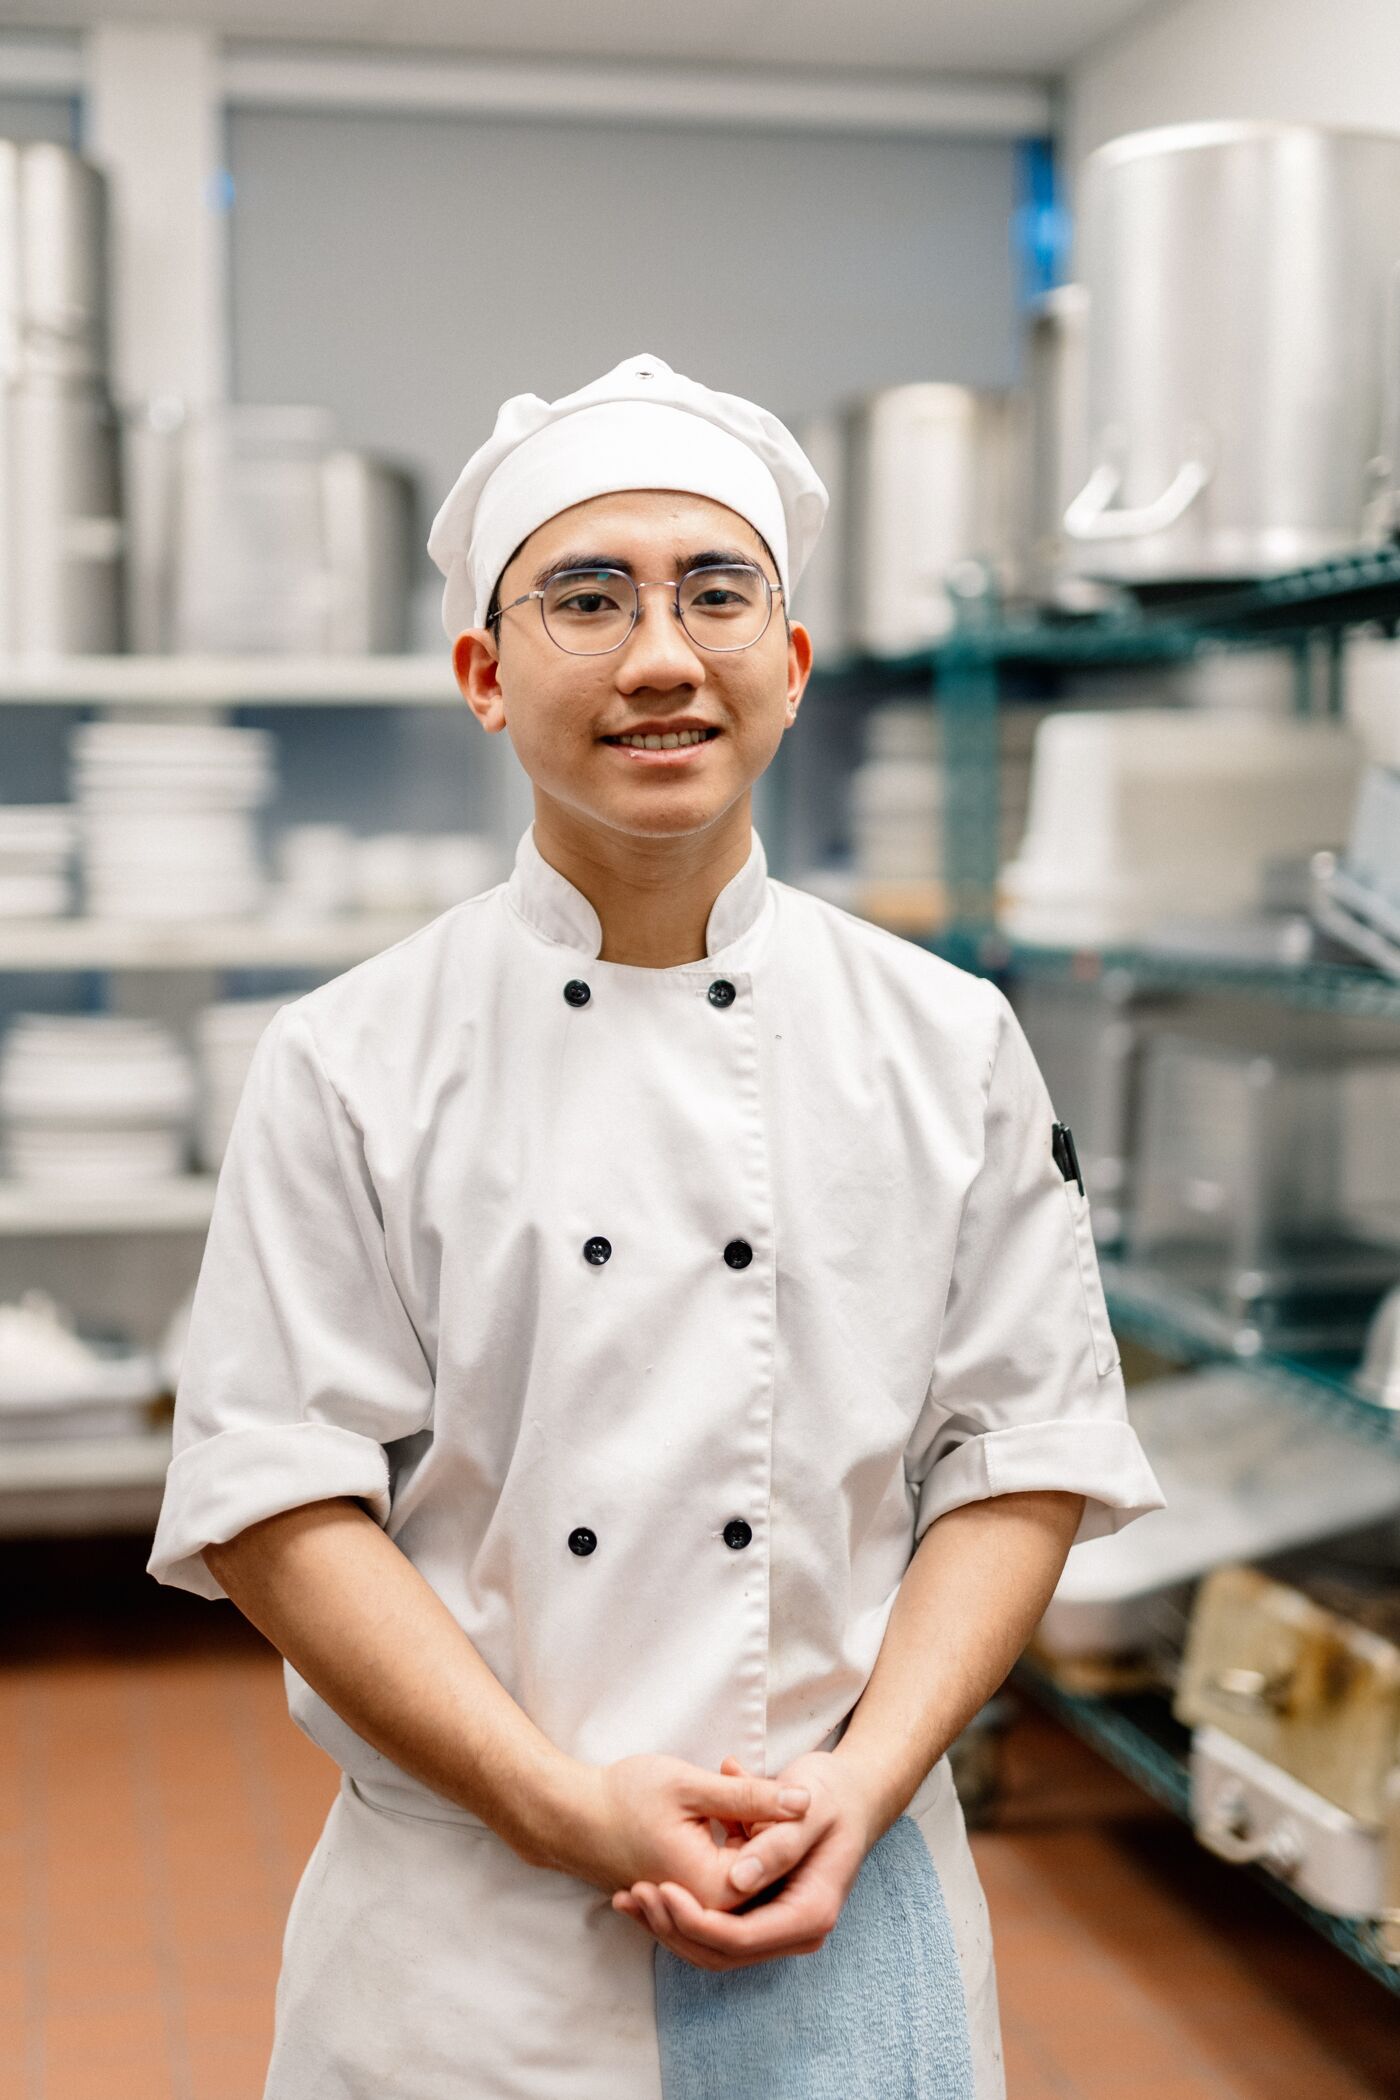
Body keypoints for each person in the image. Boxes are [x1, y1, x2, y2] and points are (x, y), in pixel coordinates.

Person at [148, 352, 1164, 2099]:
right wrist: (561, 1804)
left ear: (790, 660)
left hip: (841, 1887)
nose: (663, 655)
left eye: (717, 592)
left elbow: (1020, 1453)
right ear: (483, 674)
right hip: (470, 1940)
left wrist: (866, 1778)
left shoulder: (945, 1038)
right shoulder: (349, 1059)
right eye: (588, 598)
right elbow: (277, 1499)